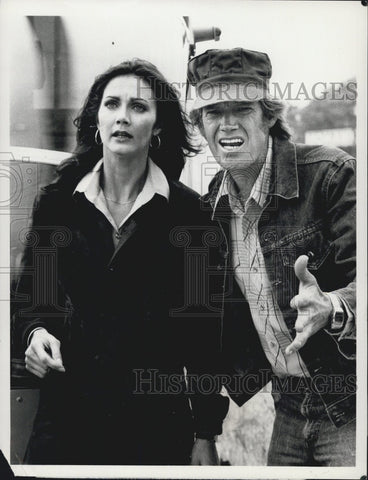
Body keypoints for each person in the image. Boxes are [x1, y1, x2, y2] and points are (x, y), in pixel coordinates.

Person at [12, 58, 229, 465]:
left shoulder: (191, 216)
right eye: (112, 104)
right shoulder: (58, 202)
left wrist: (205, 433)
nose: (122, 117)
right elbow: (33, 300)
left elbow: (203, 335)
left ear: (158, 126)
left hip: (155, 429)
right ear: (97, 119)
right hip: (66, 425)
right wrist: (35, 333)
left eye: (138, 107)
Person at [187, 48, 356, 466]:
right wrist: (203, 432)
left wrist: (333, 306)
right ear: (201, 124)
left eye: (242, 108)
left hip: (351, 403)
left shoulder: (331, 174)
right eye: (212, 111)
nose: (227, 123)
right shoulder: (211, 206)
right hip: (289, 408)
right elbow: (207, 326)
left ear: (267, 115)